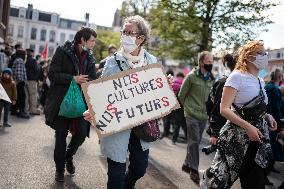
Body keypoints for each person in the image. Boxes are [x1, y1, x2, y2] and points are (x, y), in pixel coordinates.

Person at [84, 15, 172, 189]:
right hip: (118, 125)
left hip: (142, 124)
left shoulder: (152, 61)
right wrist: (93, 110)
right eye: (123, 32)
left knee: (140, 168)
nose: (125, 36)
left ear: (140, 38)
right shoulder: (112, 62)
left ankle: (128, 184)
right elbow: (103, 92)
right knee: (115, 176)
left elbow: (155, 93)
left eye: (129, 32)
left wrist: (165, 86)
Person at [201, 40, 277, 189]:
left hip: (256, 142)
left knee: (255, 184)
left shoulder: (260, 80)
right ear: (249, 56)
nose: (265, 56)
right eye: (261, 53)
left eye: (265, 53)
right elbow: (224, 109)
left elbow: (259, 107)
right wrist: (248, 126)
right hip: (236, 141)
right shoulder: (237, 77)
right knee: (219, 184)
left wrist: (267, 116)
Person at [44, 27, 97, 182]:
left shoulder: (90, 58)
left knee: (81, 134)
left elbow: (92, 80)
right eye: (92, 40)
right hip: (62, 102)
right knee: (60, 136)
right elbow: (52, 74)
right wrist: (73, 79)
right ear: (82, 39)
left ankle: (69, 156)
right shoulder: (62, 51)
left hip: (80, 104)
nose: (94, 43)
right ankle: (59, 170)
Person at [178, 51, 214, 184]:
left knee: (196, 141)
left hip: (203, 116)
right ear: (201, 62)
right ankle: (194, 169)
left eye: (212, 61)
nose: (211, 64)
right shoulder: (191, 77)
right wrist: (187, 110)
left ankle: (187, 164)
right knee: (193, 141)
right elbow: (181, 95)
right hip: (191, 114)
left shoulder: (211, 79)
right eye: (208, 61)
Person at [202, 53, 236, 155]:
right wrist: (215, 132)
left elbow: (211, 105)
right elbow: (216, 107)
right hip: (225, 129)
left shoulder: (231, 81)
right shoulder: (224, 82)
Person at [11, 49, 29, 119]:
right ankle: (21, 112)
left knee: (17, 97)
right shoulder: (20, 61)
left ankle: (14, 110)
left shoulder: (16, 60)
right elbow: (19, 73)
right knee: (22, 97)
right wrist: (22, 81)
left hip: (16, 82)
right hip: (19, 82)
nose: (26, 56)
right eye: (25, 54)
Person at [172, 72, 187, 144]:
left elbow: (177, 97)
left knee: (177, 124)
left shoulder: (179, 85)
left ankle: (174, 140)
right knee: (184, 125)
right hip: (185, 109)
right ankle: (187, 138)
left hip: (179, 108)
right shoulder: (185, 86)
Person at [25, 48, 41, 115]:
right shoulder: (33, 60)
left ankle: (26, 109)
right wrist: (37, 79)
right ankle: (32, 110)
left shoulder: (26, 60)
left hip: (26, 80)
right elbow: (37, 70)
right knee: (33, 95)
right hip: (32, 81)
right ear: (32, 53)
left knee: (27, 96)